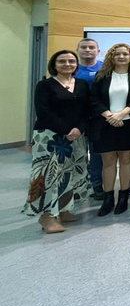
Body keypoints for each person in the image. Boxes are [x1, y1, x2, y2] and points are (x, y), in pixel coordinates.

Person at [23, 50, 92, 233]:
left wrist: (78, 128)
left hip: (76, 137)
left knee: (70, 174)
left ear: (77, 64)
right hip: (49, 137)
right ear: (54, 65)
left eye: (71, 61)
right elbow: (43, 111)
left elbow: (86, 110)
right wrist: (66, 130)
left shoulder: (82, 84)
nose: (67, 64)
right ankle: (47, 217)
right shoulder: (45, 85)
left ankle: (62, 209)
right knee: (49, 176)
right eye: (62, 61)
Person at [90, 43, 130, 216]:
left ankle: (123, 197)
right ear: (111, 57)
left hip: (128, 123)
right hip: (105, 124)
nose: (121, 57)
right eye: (117, 54)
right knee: (108, 162)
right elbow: (94, 99)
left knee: (127, 160)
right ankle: (108, 199)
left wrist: (121, 114)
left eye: (125, 54)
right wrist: (110, 115)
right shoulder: (102, 75)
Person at [75, 38, 104, 200]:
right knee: (77, 153)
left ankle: (96, 184)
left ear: (98, 51)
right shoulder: (72, 67)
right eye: (84, 47)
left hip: (98, 118)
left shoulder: (104, 68)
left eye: (91, 47)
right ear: (78, 50)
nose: (87, 50)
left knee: (97, 153)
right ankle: (77, 186)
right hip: (75, 118)